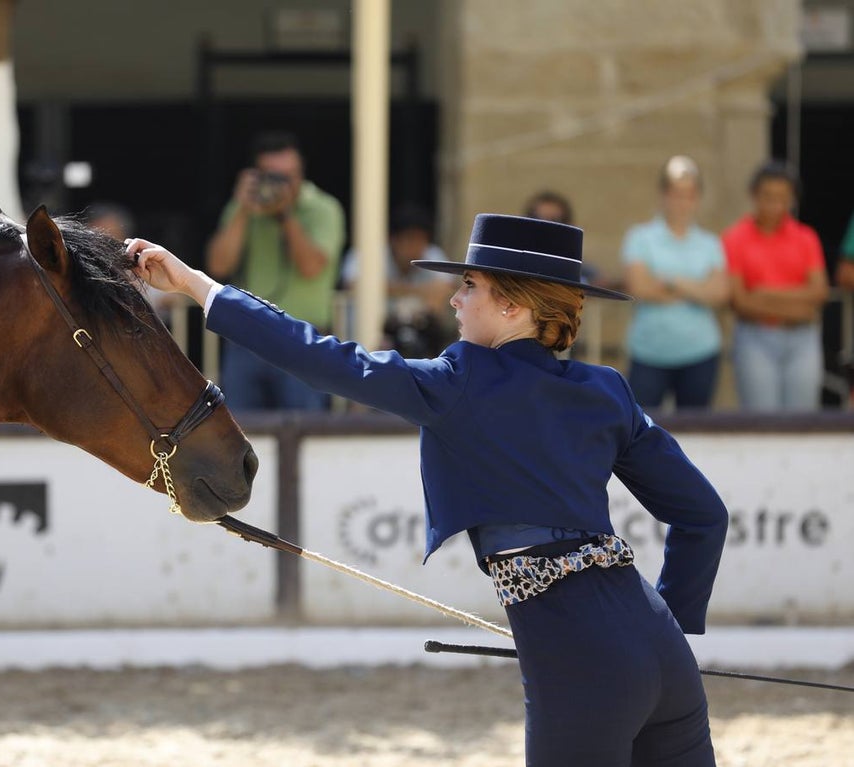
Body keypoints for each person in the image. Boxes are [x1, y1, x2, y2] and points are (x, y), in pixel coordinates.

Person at [128, 214, 728, 766]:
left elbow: (321, 357)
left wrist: (198, 286)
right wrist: (668, 627)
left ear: (514, 307)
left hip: (582, 662)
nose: (454, 297)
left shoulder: (458, 382)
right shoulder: (608, 390)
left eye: (470, 285)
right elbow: (704, 516)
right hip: (662, 646)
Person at [206, 130, 345, 410]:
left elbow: (311, 267)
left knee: (305, 432)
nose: (280, 185)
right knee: (240, 435)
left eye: (287, 176)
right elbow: (218, 265)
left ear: (301, 173)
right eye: (272, 176)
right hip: (247, 338)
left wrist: (286, 216)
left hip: (302, 339)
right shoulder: (244, 208)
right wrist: (243, 209)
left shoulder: (323, 208)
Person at [621, 156, 729, 409]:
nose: (681, 201)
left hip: (700, 351)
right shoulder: (640, 237)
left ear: (697, 198)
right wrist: (697, 289)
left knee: (697, 429)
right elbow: (639, 287)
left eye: (689, 194)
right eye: (675, 193)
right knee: (642, 427)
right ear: (663, 195)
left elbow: (720, 294)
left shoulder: (710, 243)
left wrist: (671, 281)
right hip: (649, 350)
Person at [722, 161, 829, 411]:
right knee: (762, 419)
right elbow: (740, 301)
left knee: (803, 419)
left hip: (802, 339)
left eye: (783, 198)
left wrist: (764, 294)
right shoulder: (735, 238)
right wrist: (800, 307)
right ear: (754, 196)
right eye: (768, 197)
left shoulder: (806, 237)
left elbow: (820, 291)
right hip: (755, 337)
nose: (775, 205)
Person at [340, 203, 452, 357]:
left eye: (420, 240)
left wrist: (390, 290)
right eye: (409, 239)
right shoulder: (370, 252)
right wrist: (416, 291)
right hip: (371, 343)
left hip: (420, 342)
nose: (415, 247)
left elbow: (446, 288)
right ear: (392, 239)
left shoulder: (432, 255)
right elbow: (352, 285)